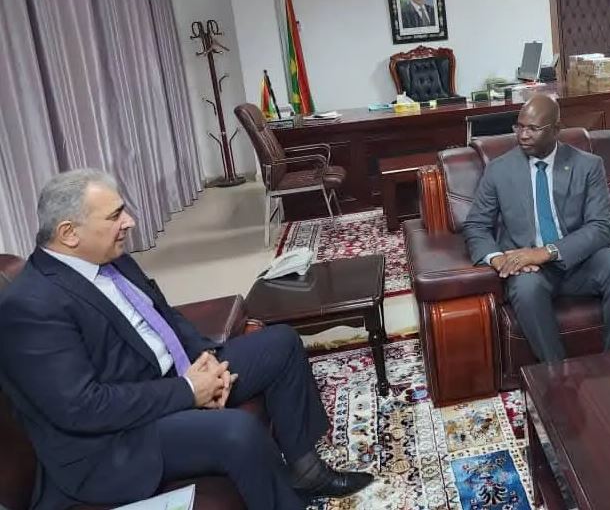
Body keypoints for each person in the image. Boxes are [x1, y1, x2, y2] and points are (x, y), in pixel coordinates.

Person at [0, 169, 373, 510]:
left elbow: (165, 316)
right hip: (117, 437)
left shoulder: (111, 257)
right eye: (115, 216)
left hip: (173, 378)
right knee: (236, 432)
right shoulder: (30, 306)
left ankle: (307, 471)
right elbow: (83, 407)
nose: (129, 222)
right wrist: (189, 391)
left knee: (281, 344)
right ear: (69, 233)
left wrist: (206, 360)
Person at [462, 94, 610, 362]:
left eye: (533, 128)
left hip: (581, 260)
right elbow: (476, 225)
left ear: (556, 130)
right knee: (526, 290)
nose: (523, 135)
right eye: (519, 126)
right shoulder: (499, 170)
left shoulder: (588, 165)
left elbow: (602, 226)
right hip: (530, 270)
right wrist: (498, 259)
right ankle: (556, 373)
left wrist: (547, 252)